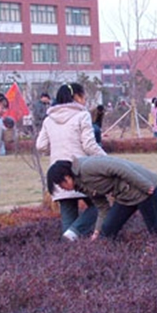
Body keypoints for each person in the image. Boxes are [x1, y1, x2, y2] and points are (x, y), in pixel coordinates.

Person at [36, 82, 107, 241]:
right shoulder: (82, 115)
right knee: (99, 206)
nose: (85, 100)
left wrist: (55, 150)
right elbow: (89, 145)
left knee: (68, 220)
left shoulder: (49, 119)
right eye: (83, 96)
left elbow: (40, 146)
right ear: (75, 97)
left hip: (60, 175)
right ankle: (76, 233)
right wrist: (106, 160)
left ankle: (68, 243)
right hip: (81, 172)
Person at [46, 156, 157, 244]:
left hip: (143, 190)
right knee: (106, 233)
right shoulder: (80, 185)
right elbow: (102, 206)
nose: (63, 188)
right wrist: (97, 231)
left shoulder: (87, 167)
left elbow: (120, 167)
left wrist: (145, 185)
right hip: (124, 197)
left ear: (66, 177)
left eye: (61, 185)